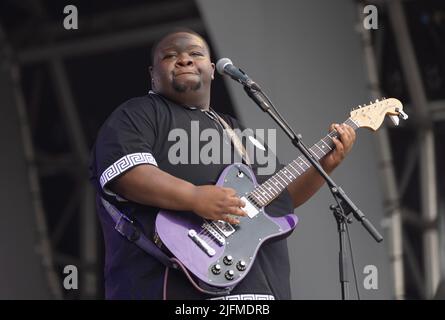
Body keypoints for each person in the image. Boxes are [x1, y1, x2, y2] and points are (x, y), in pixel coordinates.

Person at [89, 28, 356, 300]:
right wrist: (194, 197)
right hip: (172, 289)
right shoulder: (137, 114)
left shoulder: (238, 133)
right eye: (171, 56)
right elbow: (126, 173)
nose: (184, 60)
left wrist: (325, 166)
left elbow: (281, 198)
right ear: (152, 73)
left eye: (195, 54)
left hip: (257, 295)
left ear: (213, 69)